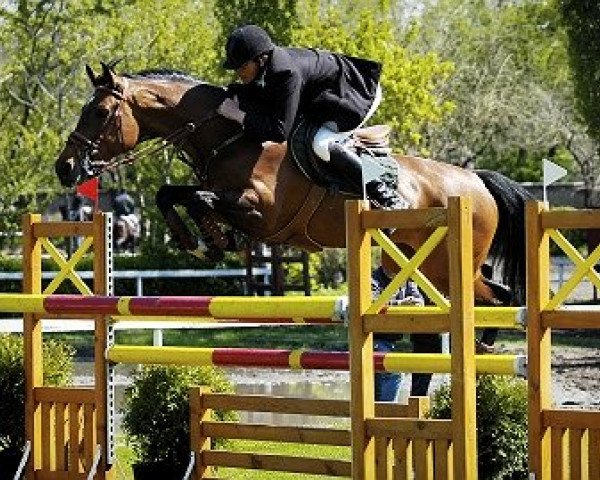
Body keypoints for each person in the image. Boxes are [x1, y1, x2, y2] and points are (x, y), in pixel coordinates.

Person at [217, 24, 405, 210]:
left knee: (321, 144)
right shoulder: (268, 67)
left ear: (260, 59)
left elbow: (279, 131)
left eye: (241, 67)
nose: (238, 73)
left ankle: (386, 194)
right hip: (326, 96)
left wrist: (238, 115)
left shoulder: (286, 72)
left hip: (355, 93)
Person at [371, 265, 425, 401]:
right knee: (393, 372)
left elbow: (419, 300)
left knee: (383, 378)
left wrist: (415, 303)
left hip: (391, 341)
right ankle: (386, 416)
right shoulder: (373, 279)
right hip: (372, 339)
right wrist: (400, 304)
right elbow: (372, 303)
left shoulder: (406, 278)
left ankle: (382, 415)